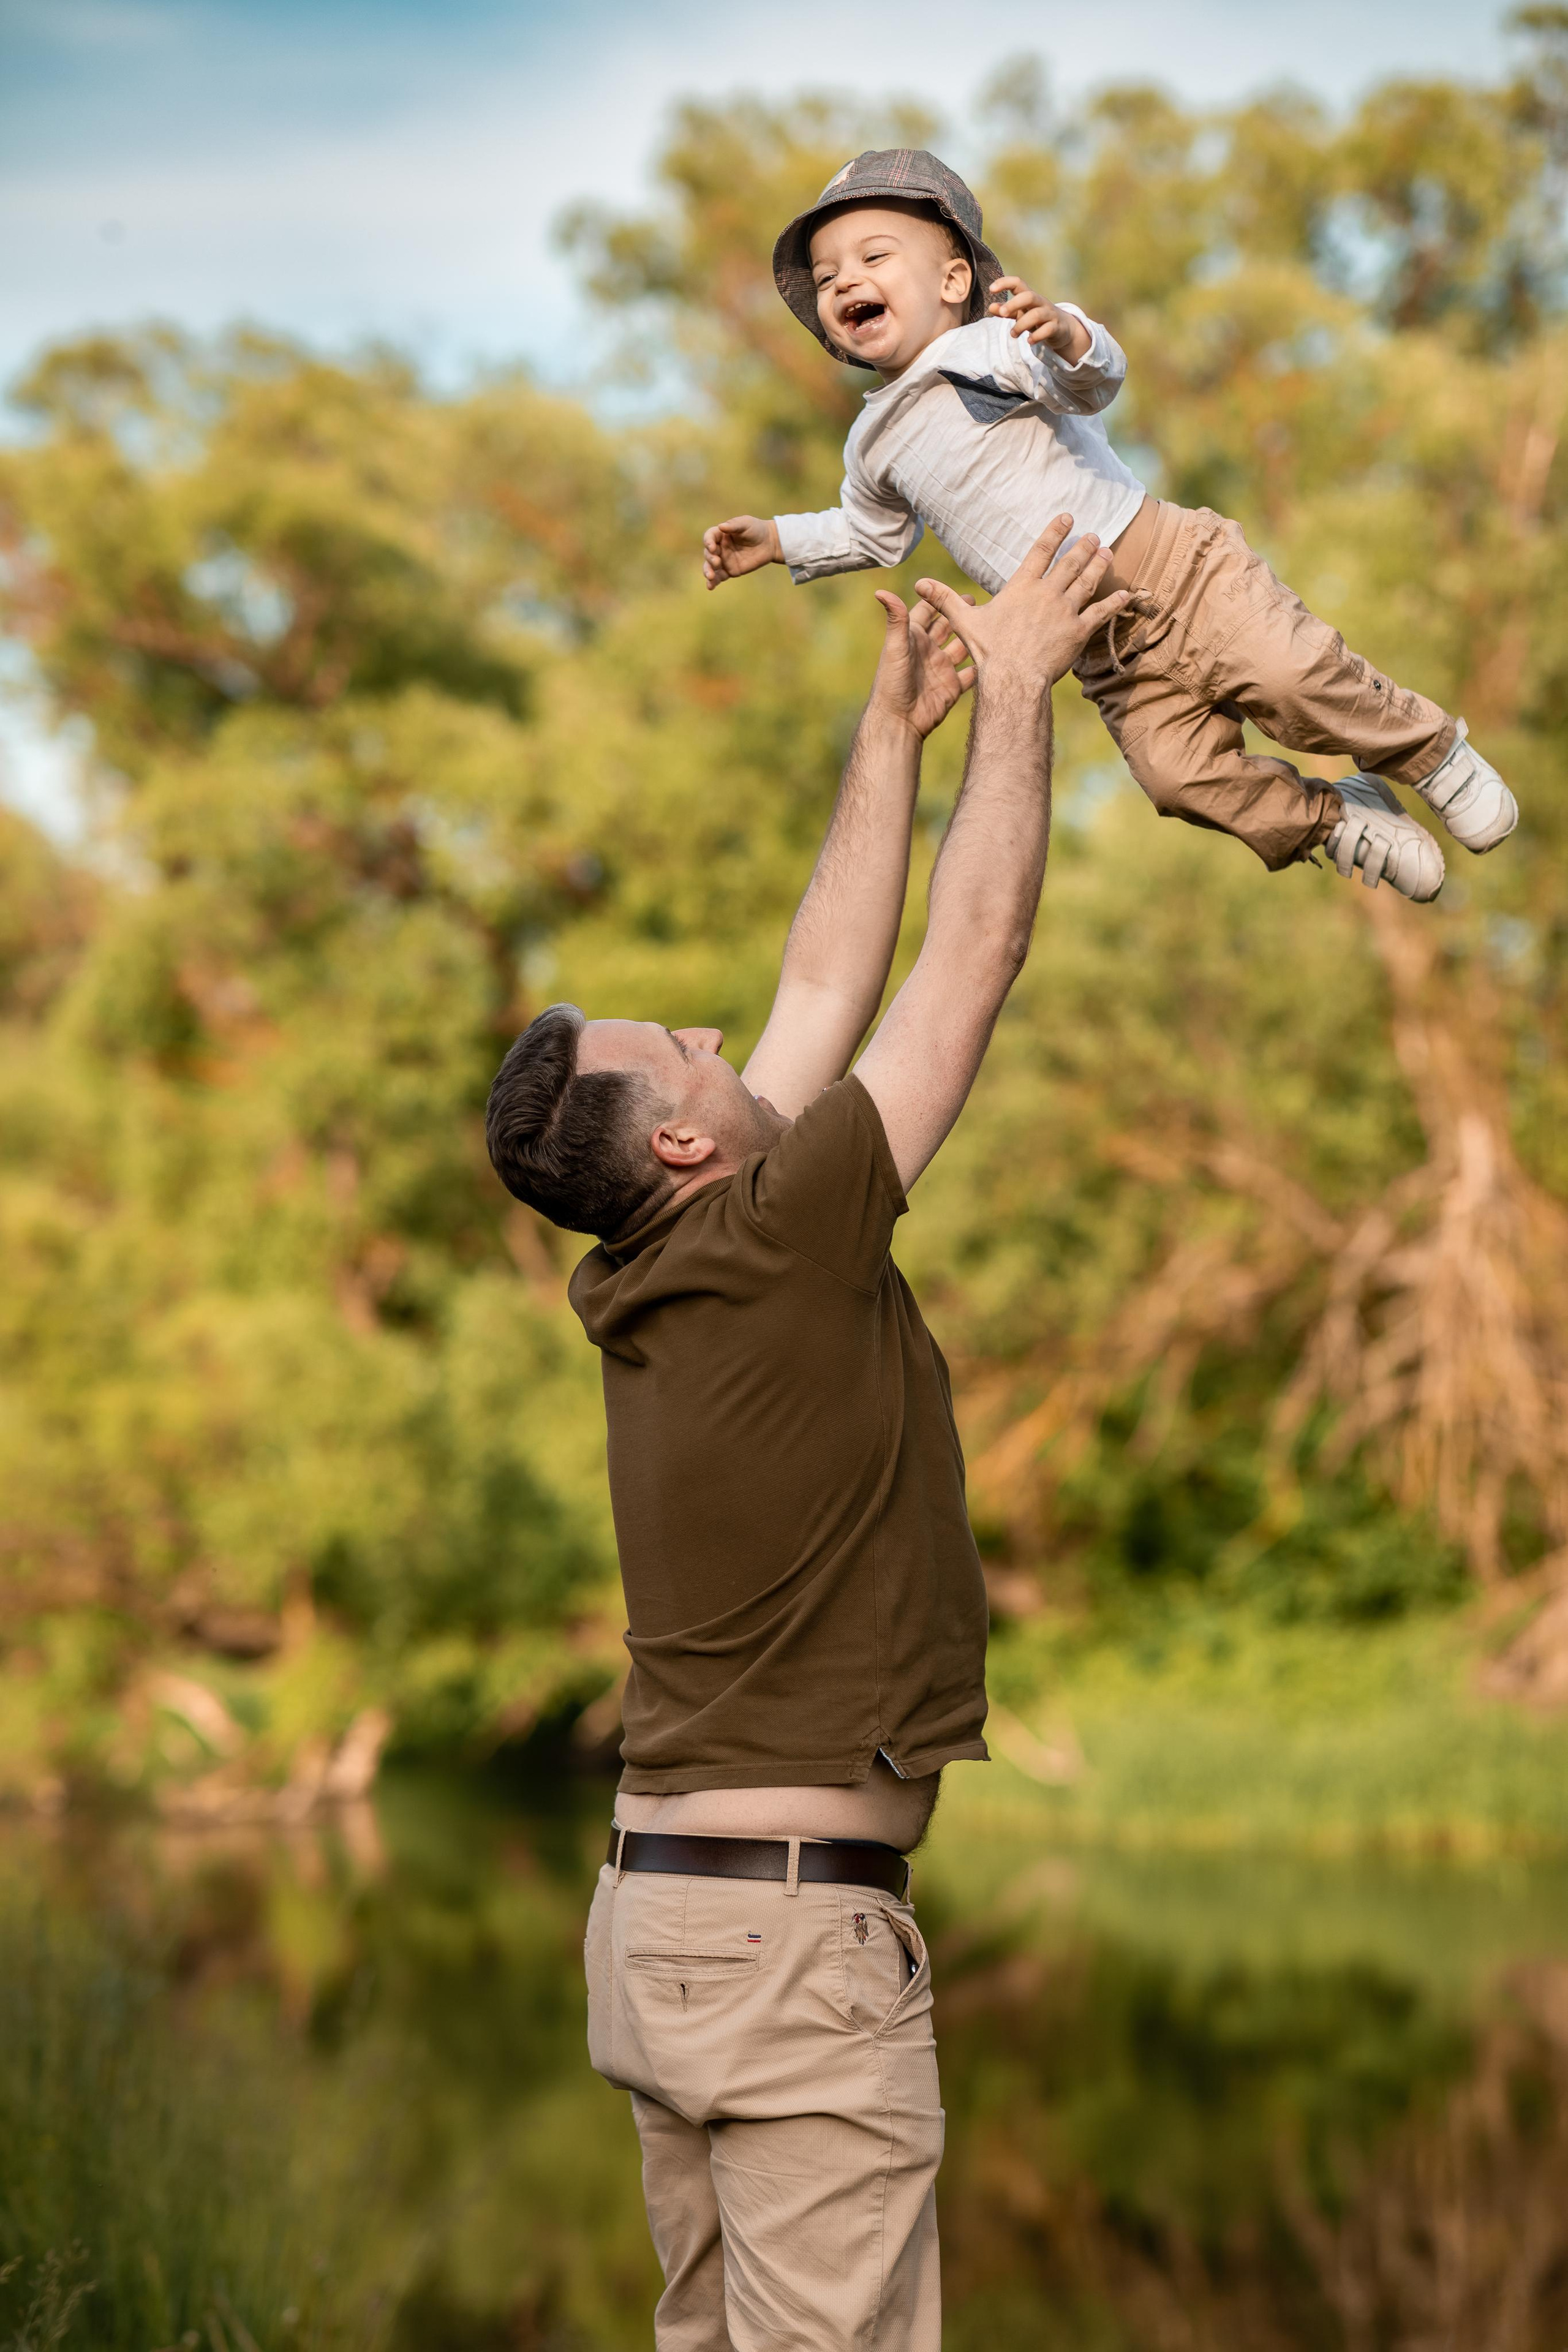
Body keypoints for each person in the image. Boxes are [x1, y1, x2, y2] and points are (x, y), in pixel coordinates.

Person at [484, 516, 1125, 2351]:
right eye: (677, 1051)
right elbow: (969, 956)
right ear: (683, 1143)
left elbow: (823, 983)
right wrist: (1017, 693)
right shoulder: (781, 1240)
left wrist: (892, 719)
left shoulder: (651, 1273)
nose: (712, 1032)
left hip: (664, 1929)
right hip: (786, 1943)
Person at [703, 146, 1520, 907]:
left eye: (873, 257)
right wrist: (777, 539)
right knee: (1177, 782)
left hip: (1180, 571)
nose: (846, 281)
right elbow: (871, 532)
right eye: (827, 275)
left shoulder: (994, 347)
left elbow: (1088, 383)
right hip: (1103, 650)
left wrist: (1065, 332)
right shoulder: (873, 440)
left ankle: (1430, 752)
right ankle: (1334, 820)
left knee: (1293, 678)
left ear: (953, 279)